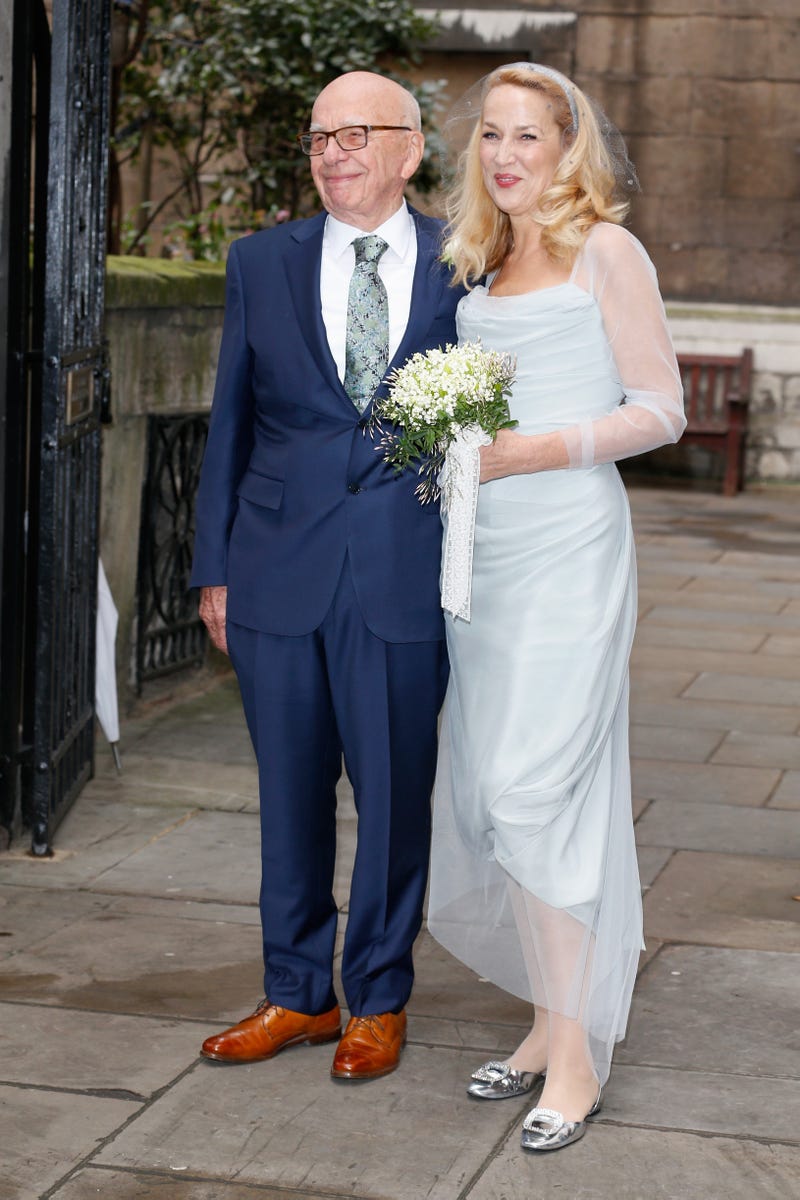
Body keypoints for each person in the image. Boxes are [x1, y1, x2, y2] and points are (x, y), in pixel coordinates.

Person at [426, 63, 686, 1151]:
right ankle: (544, 1024)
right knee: (495, 793)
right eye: (489, 135)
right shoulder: (482, 258)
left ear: (566, 147)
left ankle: (572, 1064)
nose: (504, 155)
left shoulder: (604, 251)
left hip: (570, 544)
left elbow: (659, 410)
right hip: (482, 558)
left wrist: (535, 449)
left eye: (527, 136)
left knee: (536, 792)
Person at [190, 71, 460, 1081]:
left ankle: (377, 996)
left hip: (404, 568)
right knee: (288, 791)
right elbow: (231, 418)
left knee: (394, 792)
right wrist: (213, 566)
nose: (333, 153)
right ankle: (297, 993)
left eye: (356, 134)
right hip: (272, 568)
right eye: (317, 139)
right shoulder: (260, 260)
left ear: (408, 147)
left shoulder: (466, 260)